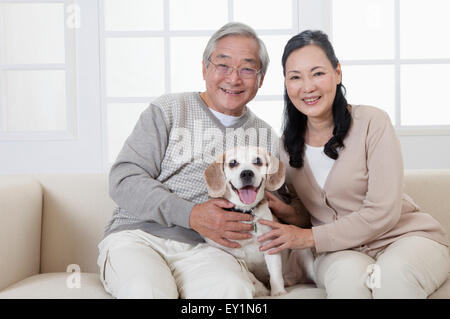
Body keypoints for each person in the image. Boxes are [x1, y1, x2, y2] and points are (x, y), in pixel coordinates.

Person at [257, 30, 450, 298]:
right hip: (340, 252)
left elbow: (383, 211)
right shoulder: (287, 145)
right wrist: (289, 213)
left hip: (403, 238)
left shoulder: (373, 122)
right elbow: (313, 212)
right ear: (286, 84)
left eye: (317, 73)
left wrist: (309, 238)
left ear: (337, 73)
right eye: (295, 77)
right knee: (347, 284)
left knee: (392, 279)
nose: (307, 86)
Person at [97, 22, 280, 299]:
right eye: (223, 65)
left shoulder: (265, 137)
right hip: (139, 236)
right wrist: (191, 215)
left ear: (261, 78)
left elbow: (289, 201)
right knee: (147, 292)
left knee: (234, 291)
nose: (233, 79)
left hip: (208, 249)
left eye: (247, 68)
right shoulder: (168, 110)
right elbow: (124, 179)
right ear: (205, 68)